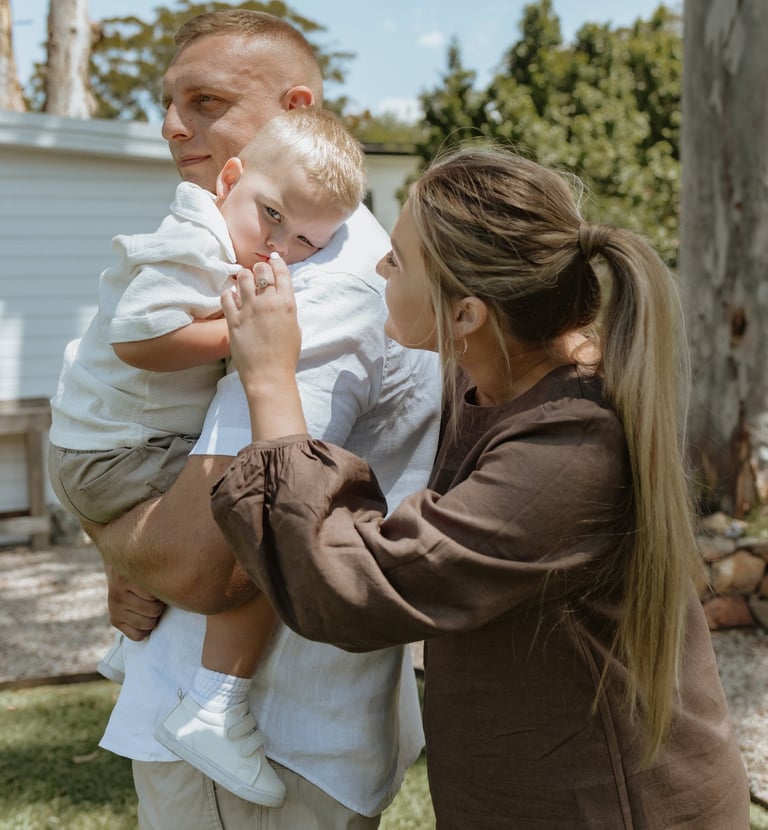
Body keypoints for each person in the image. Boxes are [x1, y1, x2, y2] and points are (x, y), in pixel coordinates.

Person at [210, 144, 751, 829]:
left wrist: (269, 380)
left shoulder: (570, 451)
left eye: (397, 261)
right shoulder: (498, 374)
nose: (380, 267)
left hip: (609, 809)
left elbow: (350, 586)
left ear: (466, 316)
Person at [83, 9, 441, 829]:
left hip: (264, 749)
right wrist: (134, 552)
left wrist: (120, 544)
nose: (175, 126)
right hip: (256, 737)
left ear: (296, 108)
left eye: (205, 100)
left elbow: (218, 560)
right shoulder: (283, 257)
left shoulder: (322, 291)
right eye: (168, 102)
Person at [49, 105, 367, 807]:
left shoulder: (242, 239)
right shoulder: (195, 236)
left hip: (105, 447)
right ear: (232, 179)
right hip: (115, 453)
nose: (282, 249)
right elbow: (139, 337)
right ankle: (214, 705)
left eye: (310, 240)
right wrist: (243, 337)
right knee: (263, 519)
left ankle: (140, 654)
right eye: (274, 218)